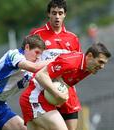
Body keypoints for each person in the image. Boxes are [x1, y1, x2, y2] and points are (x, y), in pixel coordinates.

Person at [0, 35, 51, 130]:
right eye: (36, 52)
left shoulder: (30, 71)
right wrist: (55, 60)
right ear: (27, 47)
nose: (38, 57)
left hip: (1, 106)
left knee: (22, 128)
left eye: (40, 54)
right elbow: (34, 67)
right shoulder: (14, 54)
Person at [20, 43, 111, 130]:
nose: (102, 66)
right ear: (90, 56)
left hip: (42, 99)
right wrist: (57, 94)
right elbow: (40, 75)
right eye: (100, 62)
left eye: (104, 63)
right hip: (33, 98)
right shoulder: (71, 62)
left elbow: (61, 81)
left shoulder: (88, 69)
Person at [30, 0, 82, 129]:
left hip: (66, 92)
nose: (57, 17)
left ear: (65, 15)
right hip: (44, 91)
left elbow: (77, 66)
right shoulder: (37, 35)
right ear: (48, 14)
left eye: (60, 13)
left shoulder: (73, 38)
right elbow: (30, 62)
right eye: (54, 13)